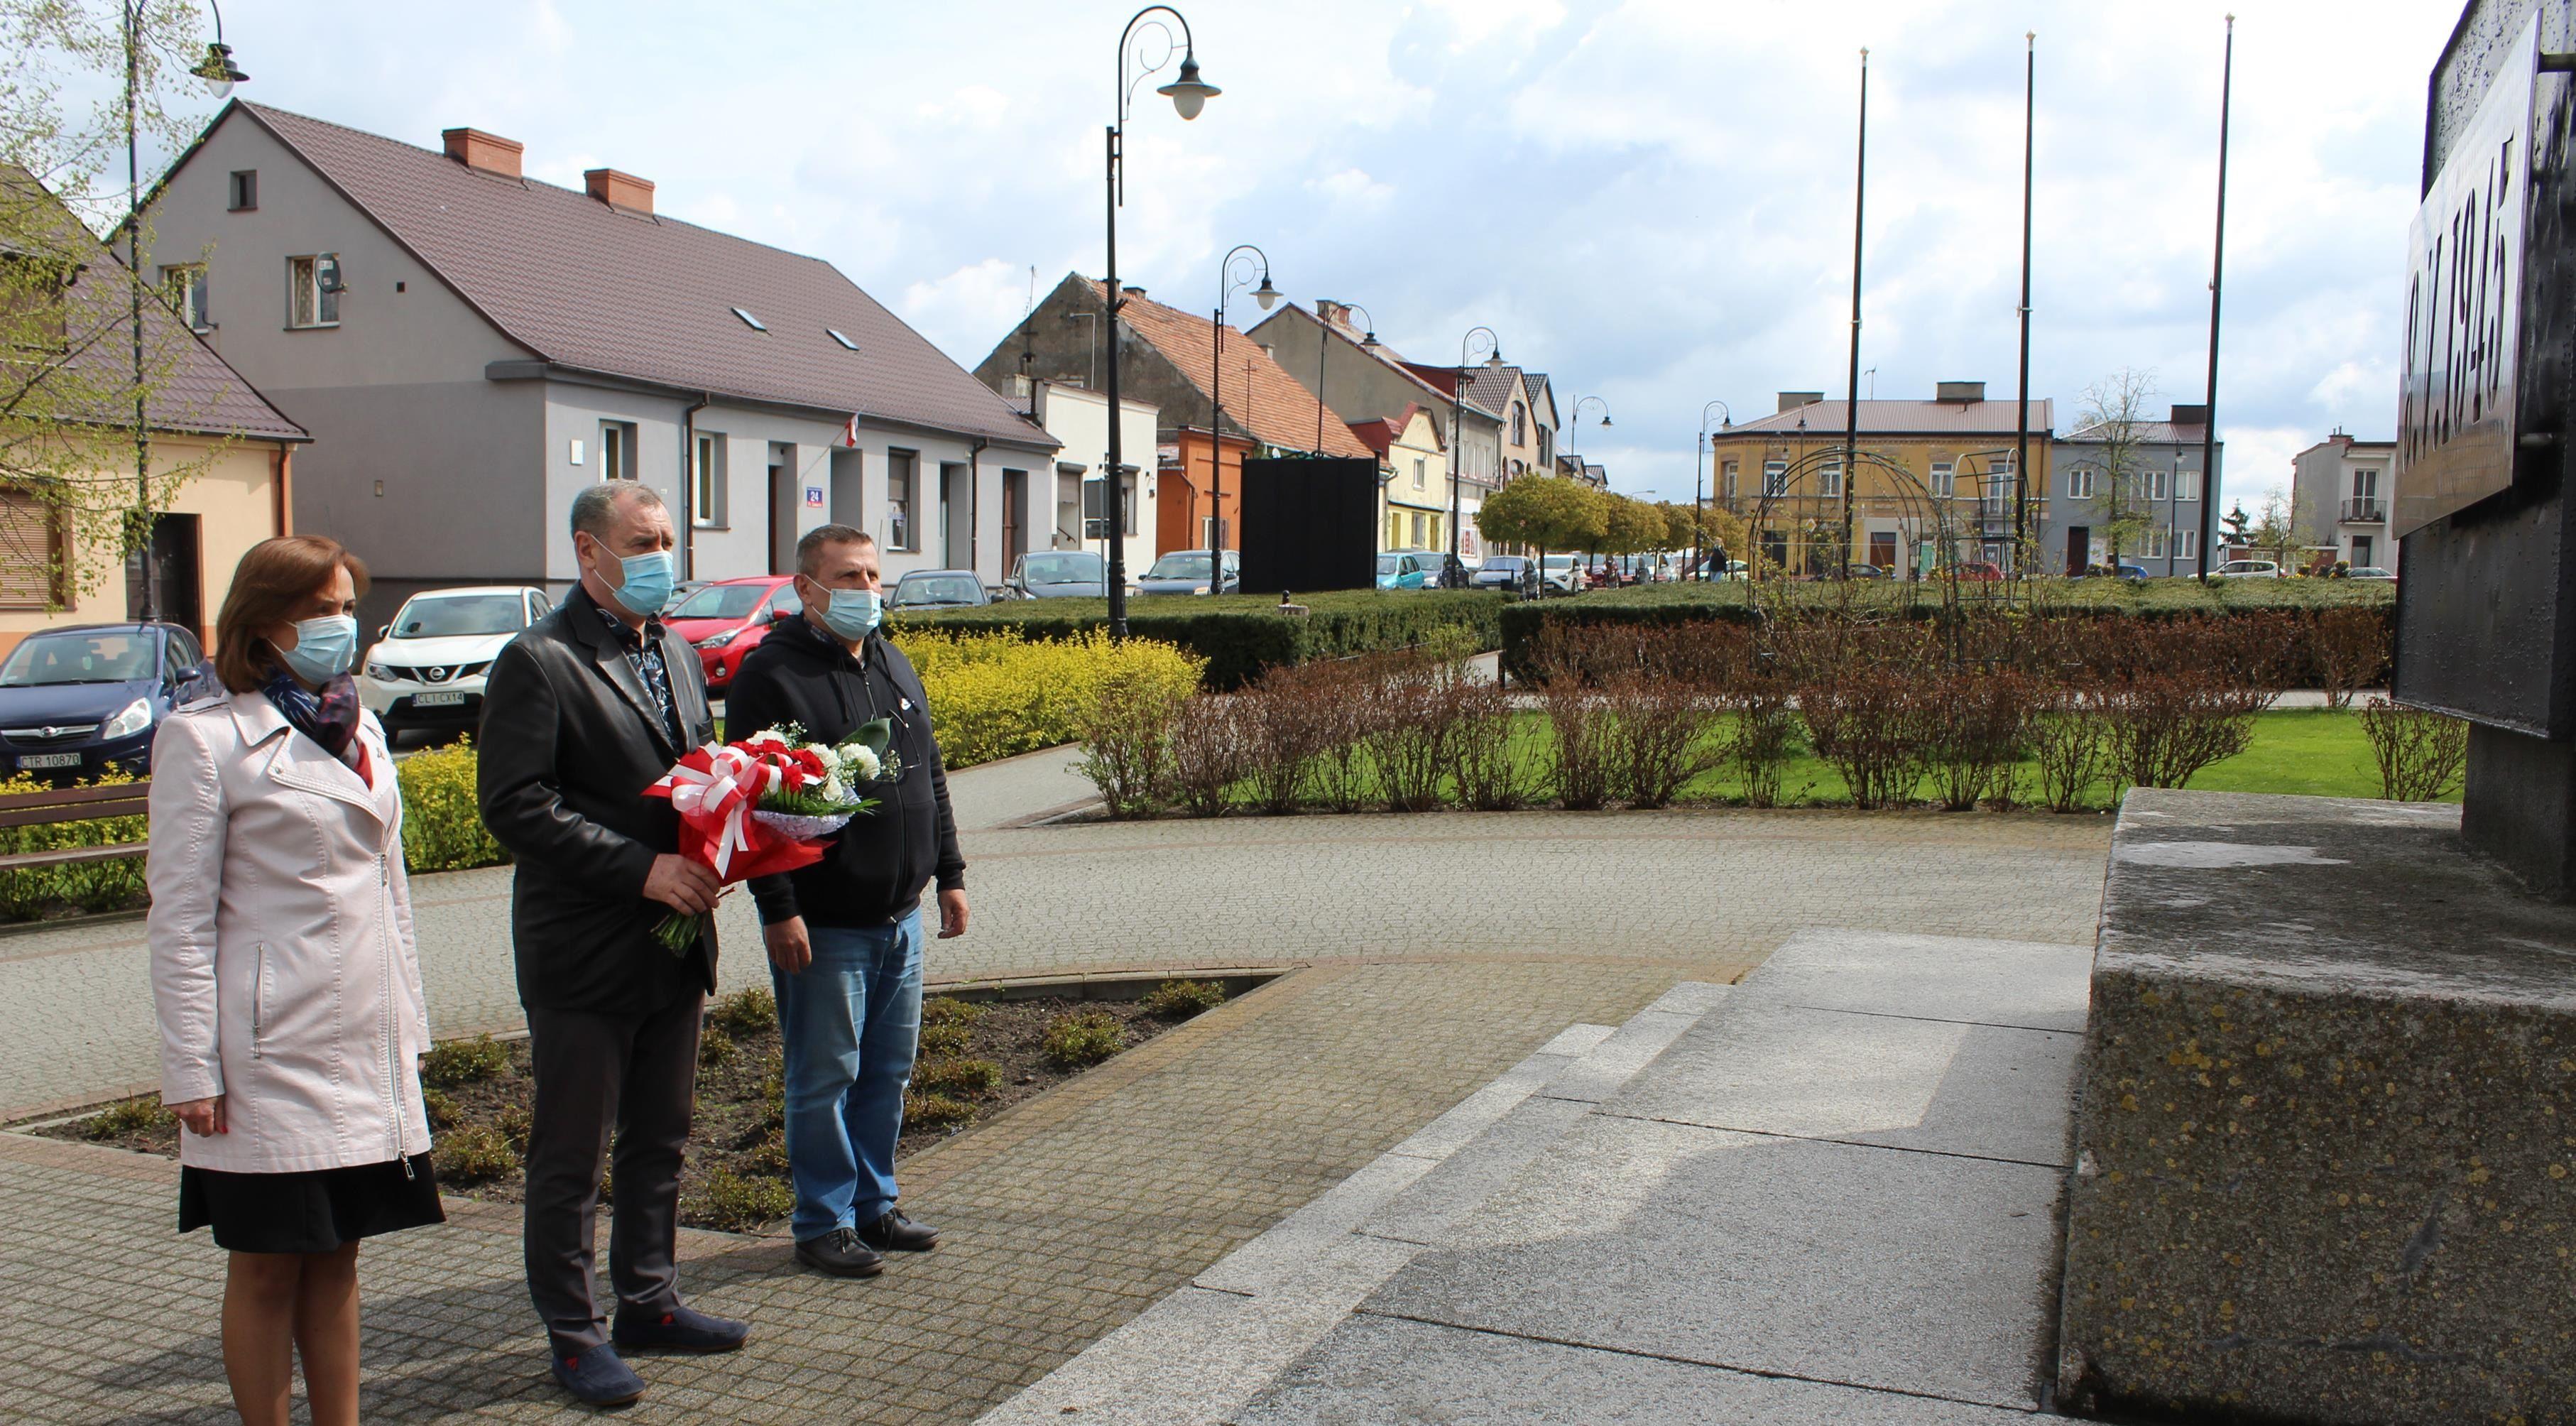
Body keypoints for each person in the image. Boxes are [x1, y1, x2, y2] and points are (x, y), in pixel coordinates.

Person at [148, 534, 439, 1426]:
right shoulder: (204, 739)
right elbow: (180, 920)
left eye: (349, 607)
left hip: (363, 1039)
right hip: (266, 1051)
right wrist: (191, 1066)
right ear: (266, 623)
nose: (342, 627)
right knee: (269, 1262)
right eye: (323, 610)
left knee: (341, 1255)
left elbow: (388, 888)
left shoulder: (363, 727)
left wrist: (412, 1027)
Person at [476, 481, 745, 1407]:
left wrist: (735, 840)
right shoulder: (538, 661)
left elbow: (696, 778)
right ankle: (574, 1333)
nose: (664, 557)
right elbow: (515, 804)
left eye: (670, 539)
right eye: (644, 542)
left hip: (677, 942)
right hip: (586, 950)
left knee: (660, 1140)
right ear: (589, 553)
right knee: (571, 1156)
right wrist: (641, 870)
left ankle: (650, 1301)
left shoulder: (670, 647)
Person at [727, 524, 967, 1279]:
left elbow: (929, 774)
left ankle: (874, 1205)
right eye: (849, 578)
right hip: (825, 924)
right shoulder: (772, 675)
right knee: (824, 1075)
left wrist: (950, 873)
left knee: (886, 1071)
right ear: (806, 587)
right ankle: (821, 1221)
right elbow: (753, 800)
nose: (867, 591)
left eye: (872, 576)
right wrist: (777, 907)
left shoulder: (893, 661)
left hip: (900, 917)